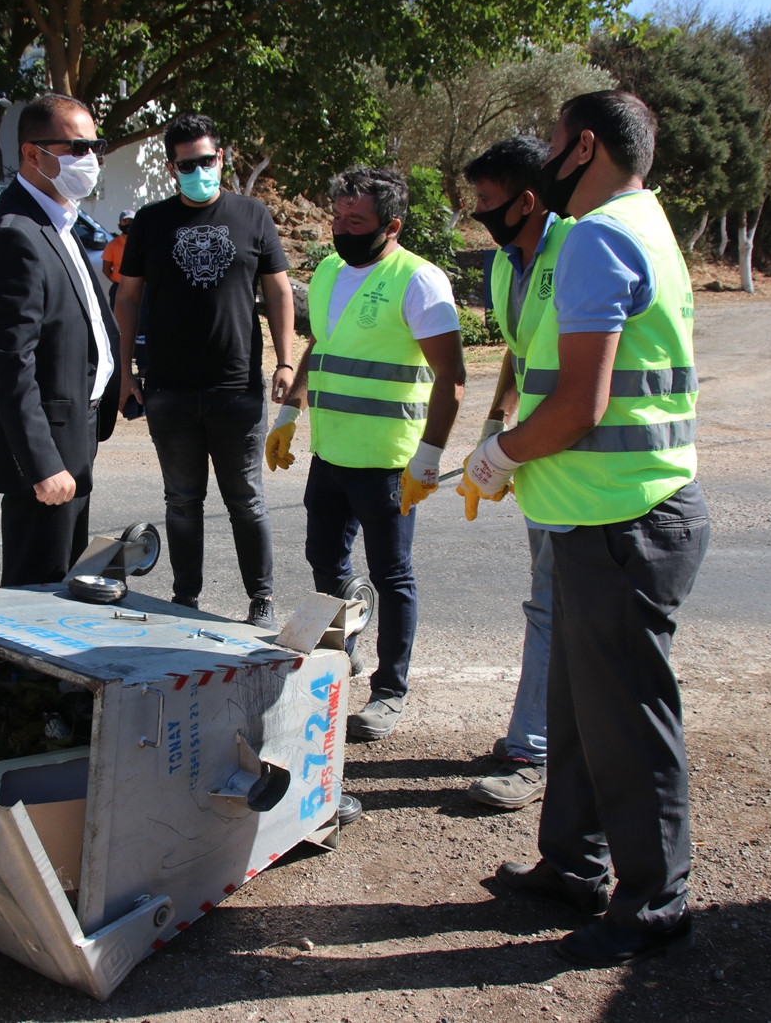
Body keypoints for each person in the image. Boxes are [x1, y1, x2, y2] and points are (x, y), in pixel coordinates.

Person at [460, 91, 708, 966]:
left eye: (557, 143)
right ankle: (572, 864)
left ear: (584, 148)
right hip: (600, 516)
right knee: (577, 711)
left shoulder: (603, 234)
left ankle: (654, 905)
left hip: (623, 517)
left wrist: (498, 454)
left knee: (628, 723)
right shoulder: (643, 222)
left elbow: (578, 402)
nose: (548, 155)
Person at [270, 166, 465, 741]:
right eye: (336, 217)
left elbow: (452, 376)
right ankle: (339, 651)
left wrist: (429, 455)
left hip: (389, 463)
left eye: (355, 221)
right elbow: (320, 347)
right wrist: (289, 411)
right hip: (331, 454)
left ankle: (390, 690)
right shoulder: (330, 270)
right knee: (325, 564)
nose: (340, 228)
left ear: (392, 225)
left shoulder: (419, 281)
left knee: (392, 574)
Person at [115, 114, 297, 628]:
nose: (200, 170)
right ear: (173, 168)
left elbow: (279, 290)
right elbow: (127, 299)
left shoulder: (253, 214)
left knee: (246, 500)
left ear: (223, 157)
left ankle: (260, 601)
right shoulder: (151, 221)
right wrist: (127, 370)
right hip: (169, 389)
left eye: (208, 160)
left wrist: (285, 359)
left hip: (236, 388)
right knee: (182, 501)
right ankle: (185, 599)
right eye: (187, 163)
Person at [0, 94, 120, 586]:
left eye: (95, 146)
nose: (88, 160)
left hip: (76, 427)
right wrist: (42, 464)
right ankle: (17, 665)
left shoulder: (58, 219)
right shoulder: (15, 233)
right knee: (37, 585)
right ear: (32, 154)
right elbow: (8, 361)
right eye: (76, 147)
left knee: (64, 576)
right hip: (47, 440)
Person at [458, 136, 574, 811]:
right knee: (548, 604)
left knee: (555, 608)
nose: (478, 213)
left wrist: (505, 452)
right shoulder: (505, 263)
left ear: (527, 201)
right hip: (537, 462)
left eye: (486, 202)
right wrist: (493, 429)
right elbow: (520, 352)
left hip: (581, 467)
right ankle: (539, 734)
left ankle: (535, 747)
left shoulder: (578, 251)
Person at [101, 208, 134, 303]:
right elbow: (106, 269)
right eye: (125, 221)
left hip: (140, 289)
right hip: (119, 289)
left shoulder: (143, 243)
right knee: (117, 318)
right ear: (119, 225)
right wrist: (118, 282)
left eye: (131, 221)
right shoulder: (112, 245)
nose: (128, 224)